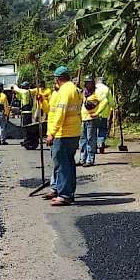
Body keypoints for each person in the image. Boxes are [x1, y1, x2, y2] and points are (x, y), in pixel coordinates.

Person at [45, 66, 82, 206]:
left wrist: (51, 133)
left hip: (63, 133)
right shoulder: (74, 89)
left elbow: (60, 114)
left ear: (57, 78)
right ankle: (67, 192)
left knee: (62, 164)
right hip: (74, 131)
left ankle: (65, 194)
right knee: (69, 163)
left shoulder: (65, 91)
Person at [78, 75, 100, 167]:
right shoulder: (84, 93)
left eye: (90, 83)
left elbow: (103, 102)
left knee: (91, 139)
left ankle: (90, 159)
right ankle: (82, 159)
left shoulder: (96, 93)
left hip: (91, 119)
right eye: (86, 83)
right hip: (83, 118)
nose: (88, 85)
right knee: (83, 140)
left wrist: (97, 112)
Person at [94, 76, 114, 154]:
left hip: (94, 113)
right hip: (104, 113)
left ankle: (94, 146)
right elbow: (111, 102)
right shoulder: (107, 89)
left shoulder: (93, 88)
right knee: (102, 129)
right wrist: (114, 107)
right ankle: (101, 142)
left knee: (94, 130)